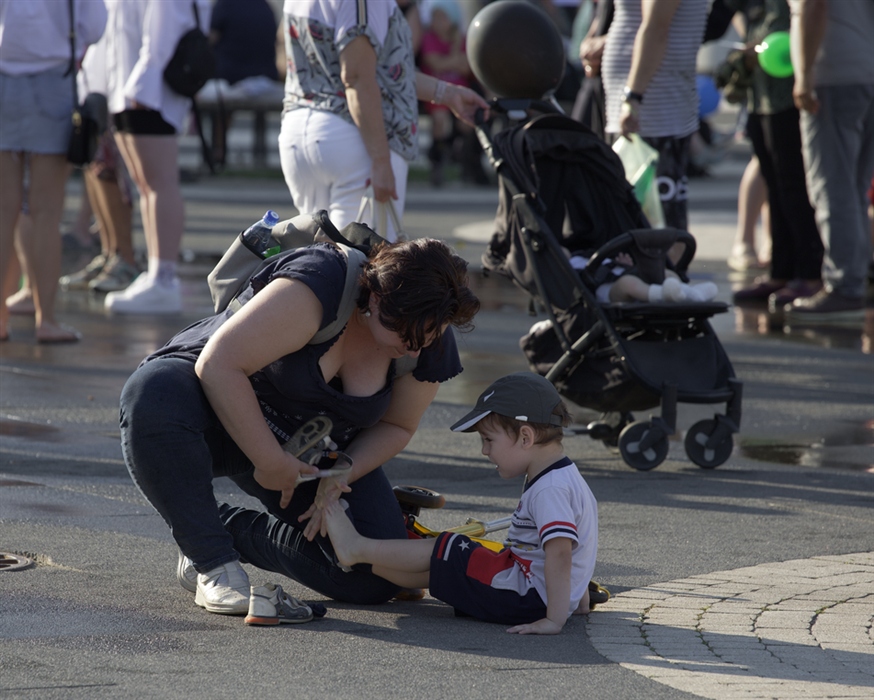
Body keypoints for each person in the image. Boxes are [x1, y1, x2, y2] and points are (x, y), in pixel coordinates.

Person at [119, 235, 480, 615]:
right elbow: (218, 365)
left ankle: (214, 526)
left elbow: (398, 426)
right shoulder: (321, 281)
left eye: (429, 337)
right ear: (375, 299)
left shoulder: (427, 336)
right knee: (152, 394)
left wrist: (342, 472)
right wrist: (270, 460)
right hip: (211, 408)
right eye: (405, 334)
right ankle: (211, 561)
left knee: (371, 577)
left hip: (308, 448)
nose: (414, 350)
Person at [323, 371, 599, 634]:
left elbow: (561, 554)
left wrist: (554, 619)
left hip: (526, 597)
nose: (484, 450)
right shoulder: (566, 477)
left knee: (448, 547)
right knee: (441, 569)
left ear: (525, 437)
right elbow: (579, 550)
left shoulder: (549, 490)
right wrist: (579, 600)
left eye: (489, 439)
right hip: (525, 586)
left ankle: (355, 548)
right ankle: (357, 561)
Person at [278, 0, 488, 241]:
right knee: (358, 265)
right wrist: (380, 159)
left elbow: (382, 71)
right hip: (354, 138)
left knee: (316, 260)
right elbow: (357, 76)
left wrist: (446, 93)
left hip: (299, 131)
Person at [0, 0, 107, 343]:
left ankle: (0, 319)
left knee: (4, 210)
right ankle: (46, 320)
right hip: (54, 79)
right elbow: (95, 25)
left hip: (3, 78)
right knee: (46, 213)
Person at [101, 0, 211, 314]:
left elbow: (165, 32)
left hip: (150, 91)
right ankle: (156, 274)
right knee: (146, 186)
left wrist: (140, 86)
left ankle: (163, 278)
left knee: (159, 184)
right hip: (130, 87)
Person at [726, 0, 823, 312]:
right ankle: (781, 271)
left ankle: (808, 273)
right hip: (760, 95)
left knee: (794, 186)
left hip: (789, 93)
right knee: (775, 185)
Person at [784, 0, 874, 324]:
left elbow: (813, 5)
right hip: (865, 73)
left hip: (833, 75)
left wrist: (804, 76)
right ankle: (855, 276)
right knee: (854, 188)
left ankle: (844, 285)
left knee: (833, 187)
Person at [600, 0, 709, 234]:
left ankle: (664, 271)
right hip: (641, 102)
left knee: (658, 221)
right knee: (629, 215)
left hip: (654, 106)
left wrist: (633, 96)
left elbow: (657, 28)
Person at [61, 26, 138, 294]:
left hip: (116, 85)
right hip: (95, 83)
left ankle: (124, 257)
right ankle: (110, 251)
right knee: (96, 169)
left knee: (112, 175)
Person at [418, 0, 486, 186]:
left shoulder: (461, 39)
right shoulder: (430, 38)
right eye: (435, 18)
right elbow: (434, 63)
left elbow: (465, 67)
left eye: (443, 18)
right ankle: (437, 162)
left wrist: (454, 49)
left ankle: (465, 162)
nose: (438, 23)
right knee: (440, 119)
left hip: (460, 90)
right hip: (436, 92)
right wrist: (454, 59)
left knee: (467, 122)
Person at [207, 0, 280, 168]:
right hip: (266, 78)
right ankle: (220, 151)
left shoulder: (225, 6)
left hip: (230, 78)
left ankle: (217, 151)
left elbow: (210, 39)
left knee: (220, 104)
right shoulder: (265, 6)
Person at [569, 251, 718, 302]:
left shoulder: (583, 254)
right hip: (606, 292)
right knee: (628, 284)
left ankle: (691, 294)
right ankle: (663, 295)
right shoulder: (568, 267)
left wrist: (623, 263)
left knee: (666, 274)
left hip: (625, 273)